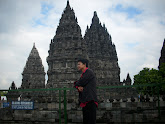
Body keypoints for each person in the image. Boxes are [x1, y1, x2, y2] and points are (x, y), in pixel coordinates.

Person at [74, 59, 98, 124]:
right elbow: (78, 83)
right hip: (85, 100)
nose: (77, 66)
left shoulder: (89, 72)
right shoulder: (84, 73)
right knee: (86, 120)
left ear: (84, 64)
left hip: (90, 99)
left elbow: (81, 82)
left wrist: (77, 85)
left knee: (91, 120)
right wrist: (77, 86)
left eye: (79, 64)